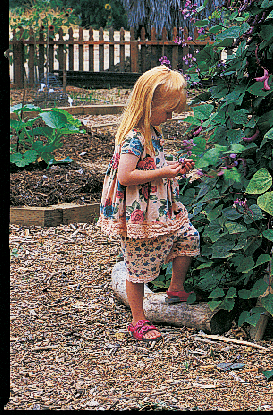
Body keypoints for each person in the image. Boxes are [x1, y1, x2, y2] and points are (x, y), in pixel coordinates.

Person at [98, 65, 198, 343]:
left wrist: (173, 167)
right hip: (139, 213)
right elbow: (127, 176)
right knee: (138, 265)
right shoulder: (134, 137)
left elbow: (151, 164)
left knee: (189, 237)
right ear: (149, 103)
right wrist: (164, 172)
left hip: (159, 207)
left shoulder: (152, 130)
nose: (170, 117)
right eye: (168, 111)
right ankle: (138, 320)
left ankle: (175, 288)